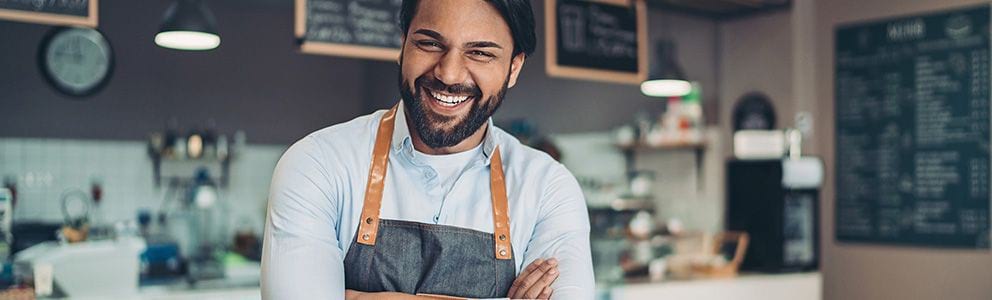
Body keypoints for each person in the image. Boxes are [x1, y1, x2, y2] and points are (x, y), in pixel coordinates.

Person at [261, 0, 594, 299]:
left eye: (480, 52)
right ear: (403, 45)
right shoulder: (318, 163)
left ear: (514, 68)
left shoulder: (548, 188)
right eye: (430, 43)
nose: (448, 73)